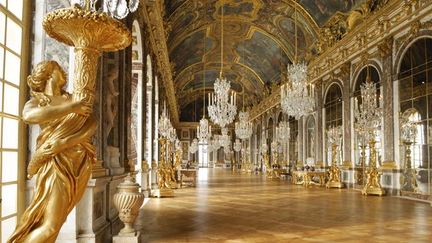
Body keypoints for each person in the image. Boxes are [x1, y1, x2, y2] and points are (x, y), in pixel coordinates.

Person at [8, 61, 96, 243]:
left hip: (78, 162)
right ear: (48, 75)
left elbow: (92, 123)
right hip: (54, 163)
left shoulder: (71, 97)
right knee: (50, 225)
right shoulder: (39, 101)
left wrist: (66, 142)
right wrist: (73, 108)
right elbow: (29, 116)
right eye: (58, 68)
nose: (63, 70)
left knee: (59, 219)